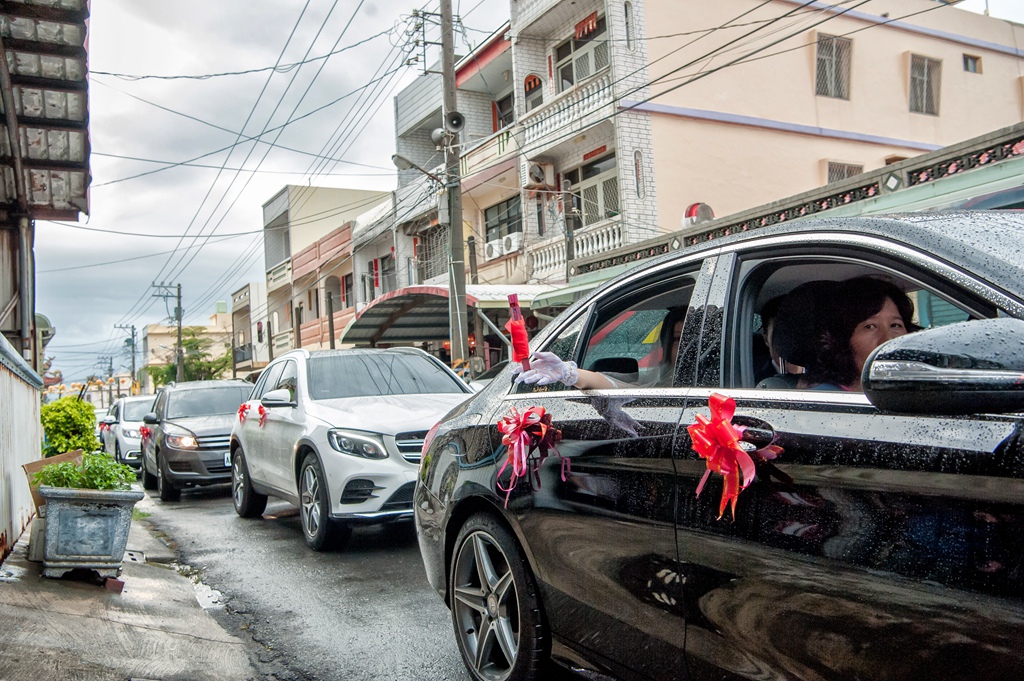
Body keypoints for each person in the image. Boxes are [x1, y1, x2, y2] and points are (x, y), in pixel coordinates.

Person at [796, 276, 918, 392]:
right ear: (842, 340)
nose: (888, 339)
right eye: (870, 327)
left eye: (895, 325)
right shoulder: (825, 402)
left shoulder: (914, 390)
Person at [515, 308, 685, 389]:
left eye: (693, 340)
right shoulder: (662, 386)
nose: (686, 347)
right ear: (667, 344)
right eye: (678, 339)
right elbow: (617, 388)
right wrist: (567, 373)